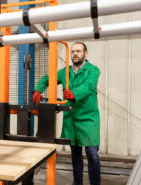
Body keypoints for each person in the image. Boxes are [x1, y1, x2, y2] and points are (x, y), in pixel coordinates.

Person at [33, 42, 101, 185]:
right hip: (71, 120)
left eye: (78, 51)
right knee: (75, 156)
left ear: (85, 54)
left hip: (88, 119)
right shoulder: (65, 72)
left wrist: (73, 94)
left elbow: (89, 87)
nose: (75, 54)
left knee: (92, 155)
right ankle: (77, 183)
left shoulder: (93, 70)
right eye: (72, 51)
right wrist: (38, 90)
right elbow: (48, 78)